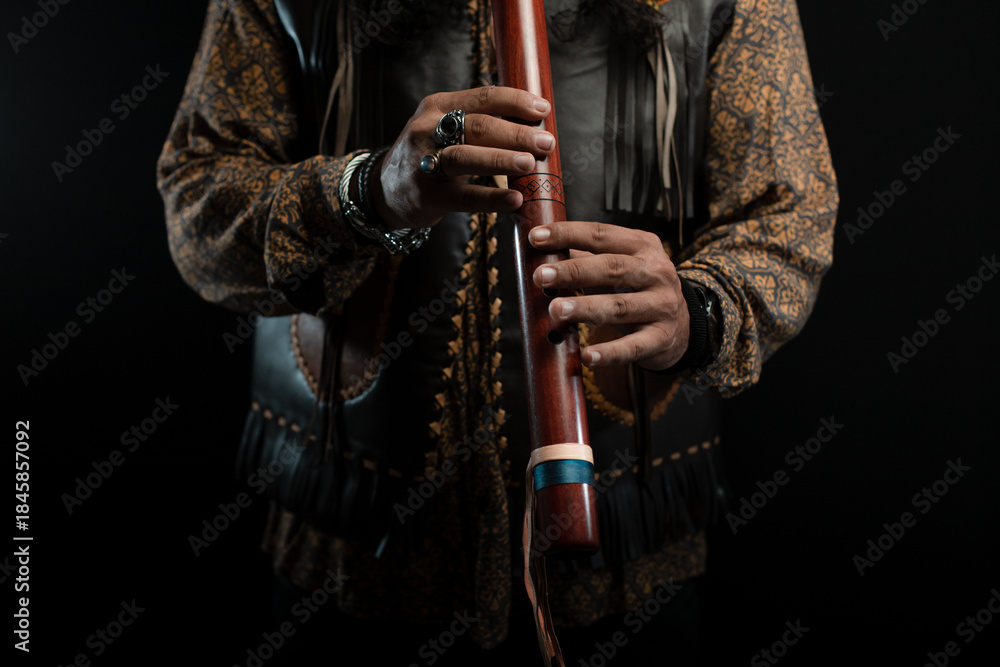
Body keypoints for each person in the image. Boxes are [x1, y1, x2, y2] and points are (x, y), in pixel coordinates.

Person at [157, 0, 837, 663]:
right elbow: (196, 207)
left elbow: (790, 218)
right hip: (349, 550)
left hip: (629, 557)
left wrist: (699, 312)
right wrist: (366, 192)